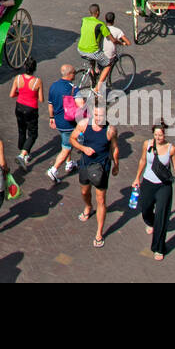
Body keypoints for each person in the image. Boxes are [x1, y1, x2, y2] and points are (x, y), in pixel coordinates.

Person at [131, 121, 175, 260]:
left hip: (164, 186)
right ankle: (150, 222)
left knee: (162, 216)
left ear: (165, 135)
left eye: (160, 135)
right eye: (156, 135)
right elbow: (143, 160)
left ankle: (159, 248)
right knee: (145, 208)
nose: (158, 138)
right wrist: (137, 178)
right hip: (148, 183)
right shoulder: (147, 144)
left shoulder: (171, 149)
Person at [72, 105, 119, 248]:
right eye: (97, 115)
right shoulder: (84, 124)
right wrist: (83, 148)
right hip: (86, 165)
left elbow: (115, 148)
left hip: (101, 168)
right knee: (85, 191)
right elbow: (72, 139)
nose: (99, 119)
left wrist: (116, 165)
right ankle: (88, 206)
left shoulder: (110, 130)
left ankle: (99, 232)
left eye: (102, 116)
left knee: (101, 199)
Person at [46, 63, 82, 184]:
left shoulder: (53, 86)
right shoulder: (73, 88)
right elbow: (81, 105)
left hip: (58, 121)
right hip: (69, 122)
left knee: (65, 141)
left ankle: (69, 163)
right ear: (70, 74)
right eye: (74, 73)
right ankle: (54, 169)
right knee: (67, 147)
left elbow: (50, 104)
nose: (75, 75)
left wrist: (51, 117)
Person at [9, 57, 42, 169]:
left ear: (24, 67)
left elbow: (12, 94)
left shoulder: (18, 78)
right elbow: (41, 99)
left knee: (21, 130)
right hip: (31, 109)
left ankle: (23, 151)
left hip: (19, 107)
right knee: (33, 133)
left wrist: (21, 94)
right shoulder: (37, 82)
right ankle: (22, 154)